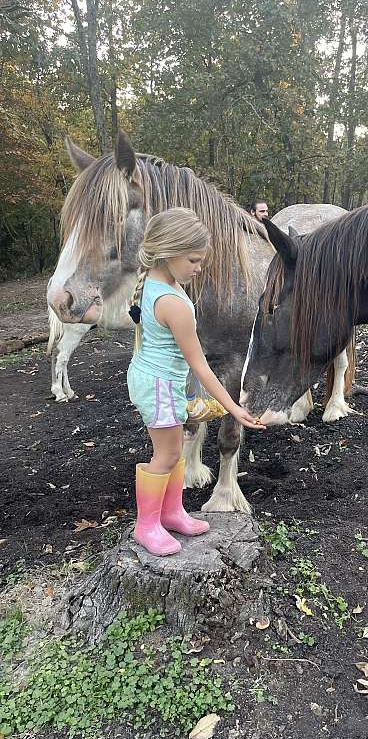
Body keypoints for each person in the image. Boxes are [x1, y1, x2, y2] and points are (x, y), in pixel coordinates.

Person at [127, 207, 265, 557]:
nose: (199, 268)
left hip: (156, 379)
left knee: (172, 452)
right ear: (168, 252)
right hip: (159, 386)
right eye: (193, 260)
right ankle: (146, 526)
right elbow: (201, 366)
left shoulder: (155, 282)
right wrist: (233, 406)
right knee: (168, 454)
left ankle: (172, 512)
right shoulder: (174, 303)